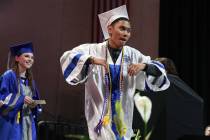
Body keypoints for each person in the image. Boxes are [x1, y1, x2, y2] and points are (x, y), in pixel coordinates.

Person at [60, 5, 170, 140]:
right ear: (110, 29)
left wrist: (144, 66)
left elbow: (160, 70)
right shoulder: (93, 50)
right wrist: (92, 60)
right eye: (122, 28)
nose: (126, 33)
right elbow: (67, 57)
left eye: (129, 31)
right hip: (99, 117)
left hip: (123, 118)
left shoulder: (133, 54)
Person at [0, 42, 42, 140]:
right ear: (17, 58)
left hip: (27, 122)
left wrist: (34, 104)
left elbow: (38, 101)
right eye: (27, 56)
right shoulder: (9, 76)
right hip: (12, 122)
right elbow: (2, 97)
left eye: (32, 57)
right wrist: (21, 99)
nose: (30, 59)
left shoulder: (31, 80)